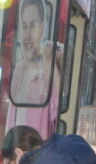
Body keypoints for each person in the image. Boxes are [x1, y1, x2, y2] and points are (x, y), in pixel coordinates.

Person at [8, 0, 61, 137]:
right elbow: (10, 120)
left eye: (33, 25)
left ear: (43, 27)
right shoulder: (19, 71)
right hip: (16, 154)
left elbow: (57, 115)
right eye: (24, 26)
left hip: (37, 156)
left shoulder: (47, 70)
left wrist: (51, 65)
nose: (28, 35)